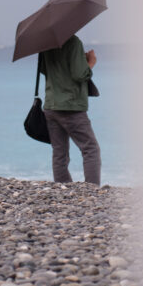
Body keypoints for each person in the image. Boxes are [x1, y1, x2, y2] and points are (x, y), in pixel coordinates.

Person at [39, 35, 101, 185]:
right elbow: (80, 74)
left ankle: (62, 186)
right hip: (71, 106)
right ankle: (92, 189)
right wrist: (90, 62)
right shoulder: (73, 41)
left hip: (51, 104)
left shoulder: (44, 43)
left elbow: (43, 69)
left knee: (59, 152)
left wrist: (76, 61)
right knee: (90, 149)